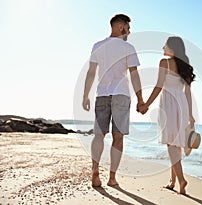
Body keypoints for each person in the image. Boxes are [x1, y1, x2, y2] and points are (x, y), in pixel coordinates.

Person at [82, 14, 145, 187]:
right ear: (120, 26)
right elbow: (134, 74)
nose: (129, 32)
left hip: (102, 94)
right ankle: (112, 178)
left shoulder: (98, 45)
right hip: (121, 95)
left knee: (99, 135)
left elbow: (91, 72)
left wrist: (85, 95)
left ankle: (95, 170)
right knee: (118, 137)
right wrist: (140, 99)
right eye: (128, 28)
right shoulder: (128, 47)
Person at [138, 36, 196, 194]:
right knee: (175, 144)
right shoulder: (186, 66)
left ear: (172, 47)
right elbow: (188, 93)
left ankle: (182, 180)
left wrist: (146, 105)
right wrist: (190, 114)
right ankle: (173, 181)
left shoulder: (164, 62)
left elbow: (158, 86)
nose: (163, 47)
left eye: (165, 45)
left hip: (169, 103)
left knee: (171, 144)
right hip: (182, 104)